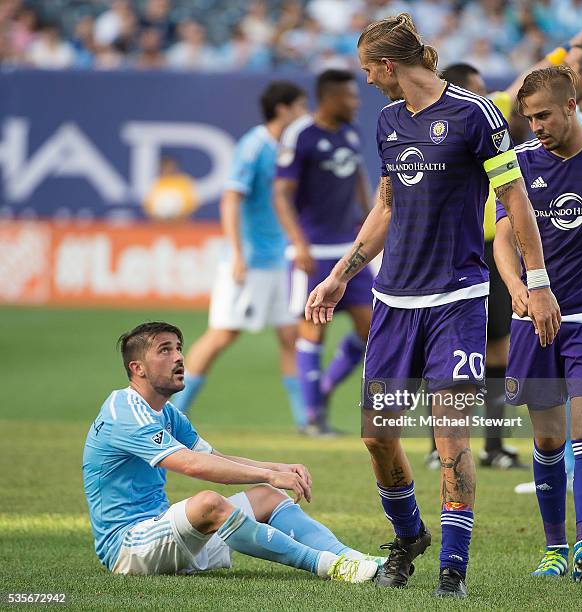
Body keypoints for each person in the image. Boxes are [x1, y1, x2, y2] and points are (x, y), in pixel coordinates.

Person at [305, 13, 560, 598]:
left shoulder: (476, 115)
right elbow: (387, 206)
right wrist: (342, 275)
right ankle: (410, 533)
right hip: (394, 301)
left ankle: (453, 569)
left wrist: (538, 279)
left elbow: (514, 198)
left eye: (369, 69)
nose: (367, 81)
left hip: (458, 302)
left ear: (389, 65)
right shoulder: (390, 121)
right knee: (377, 437)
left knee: (452, 440)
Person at [82, 321, 382, 579]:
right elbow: (193, 466)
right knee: (208, 504)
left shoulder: (167, 413)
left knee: (267, 495)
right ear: (138, 368)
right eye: (165, 350)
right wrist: (268, 474)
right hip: (128, 546)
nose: (179, 357)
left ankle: (357, 559)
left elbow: (212, 459)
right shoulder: (124, 410)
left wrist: (277, 470)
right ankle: (332, 566)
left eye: (178, 348)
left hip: (163, 534)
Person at [494, 66, 582, 581]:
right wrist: (518, 287)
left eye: (543, 115)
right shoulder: (518, 165)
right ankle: (554, 548)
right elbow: (502, 237)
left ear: (571, 105)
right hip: (532, 317)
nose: (535, 125)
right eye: (528, 117)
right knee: (546, 442)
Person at [171, 82, 308, 431]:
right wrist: (236, 253)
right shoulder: (253, 146)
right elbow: (230, 199)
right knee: (222, 335)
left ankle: (305, 420)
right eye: (300, 107)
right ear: (283, 110)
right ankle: (171, 413)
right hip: (251, 260)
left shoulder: (287, 148)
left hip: (280, 258)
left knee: (290, 335)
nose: (304, 114)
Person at [422, 62, 524, 471]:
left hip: (492, 247)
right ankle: (437, 446)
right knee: (443, 350)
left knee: (500, 344)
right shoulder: (439, 125)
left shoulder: (488, 114)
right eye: (479, 89)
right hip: (451, 249)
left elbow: (519, 86)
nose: (490, 97)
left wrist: (559, 55)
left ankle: (494, 445)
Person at [274, 69, 373, 436]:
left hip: (350, 250)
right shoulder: (301, 134)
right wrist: (297, 242)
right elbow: (281, 193)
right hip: (312, 250)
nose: (355, 103)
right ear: (329, 99)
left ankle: (324, 387)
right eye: (349, 97)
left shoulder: (350, 131)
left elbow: (359, 176)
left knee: (372, 326)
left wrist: (368, 218)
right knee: (313, 329)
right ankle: (313, 417)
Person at [143, 155, 197, 220]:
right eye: (165, 167)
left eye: (170, 166)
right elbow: (148, 205)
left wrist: (179, 211)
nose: (167, 169)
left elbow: (192, 203)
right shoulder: (157, 183)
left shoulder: (183, 182)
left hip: (181, 224)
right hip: (159, 224)